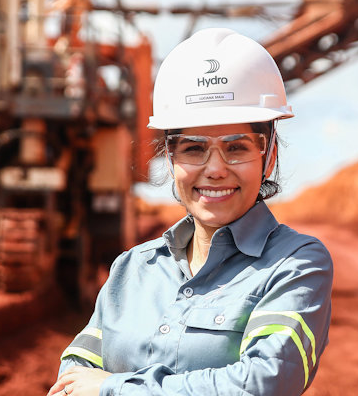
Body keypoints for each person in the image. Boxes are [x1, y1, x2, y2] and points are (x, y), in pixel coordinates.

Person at [48, 28, 333, 395]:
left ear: (269, 155)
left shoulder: (295, 264)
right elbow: (73, 376)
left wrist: (112, 389)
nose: (215, 169)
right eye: (194, 149)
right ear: (169, 158)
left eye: (236, 148)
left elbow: (263, 383)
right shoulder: (132, 269)